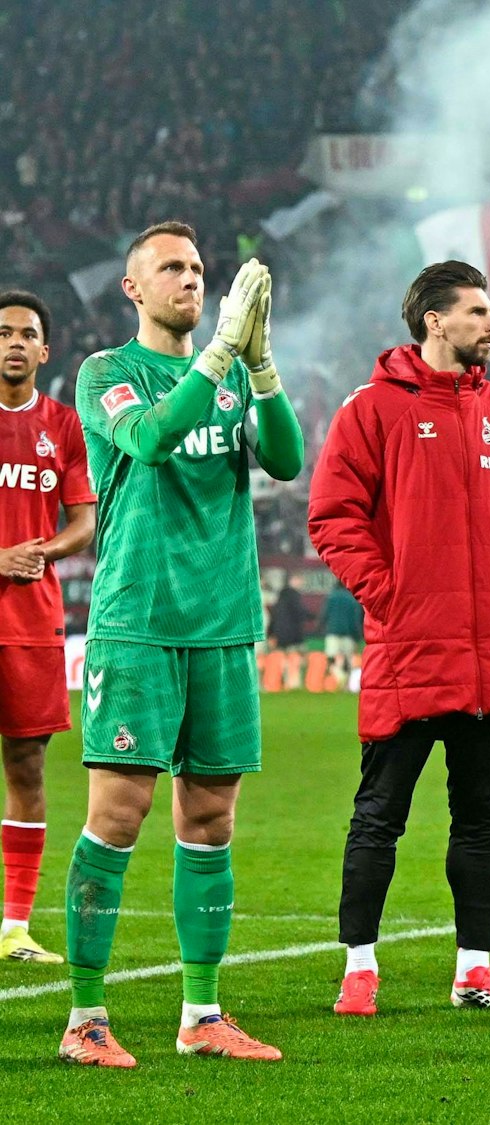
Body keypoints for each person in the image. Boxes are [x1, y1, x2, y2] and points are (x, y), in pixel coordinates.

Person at [62, 223, 303, 1066]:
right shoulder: (105, 374)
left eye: (200, 270)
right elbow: (154, 437)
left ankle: (202, 1014)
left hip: (223, 623)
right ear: (133, 287)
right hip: (138, 622)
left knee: (211, 819)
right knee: (115, 818)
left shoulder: (234, 374)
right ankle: (85, 1018)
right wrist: (219, 359)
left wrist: (260, 362)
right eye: (171, 268)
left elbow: (286, 458)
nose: (191, 281)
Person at [309, 260, 490, 1018]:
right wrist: (392, 598)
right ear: (434, 321)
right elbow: (332, 515)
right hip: (412, 647)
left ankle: (474, 969)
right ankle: (359, 967)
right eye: (478, 311)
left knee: (483, 815)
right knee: (380, 811)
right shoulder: (373, 409)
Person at [0, 289, 96, 966]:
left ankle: (13, 926)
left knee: (27, 764)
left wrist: (44, 550)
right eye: (2, 332)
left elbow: (85, 520)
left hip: (32, 619)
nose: (12, 342)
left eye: (25, 334)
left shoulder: (63, 425)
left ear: (44, 349)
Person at [322, 580, 363, 689]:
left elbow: (324, 615)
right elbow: (355, 620)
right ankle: (346, 686)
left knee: (331, 659)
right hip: (348, 634)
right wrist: (357, 636)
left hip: (332, 632)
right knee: (348, 660)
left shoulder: (331, 597)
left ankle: (339, 676)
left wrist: (319, 630)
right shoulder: (352, 599)